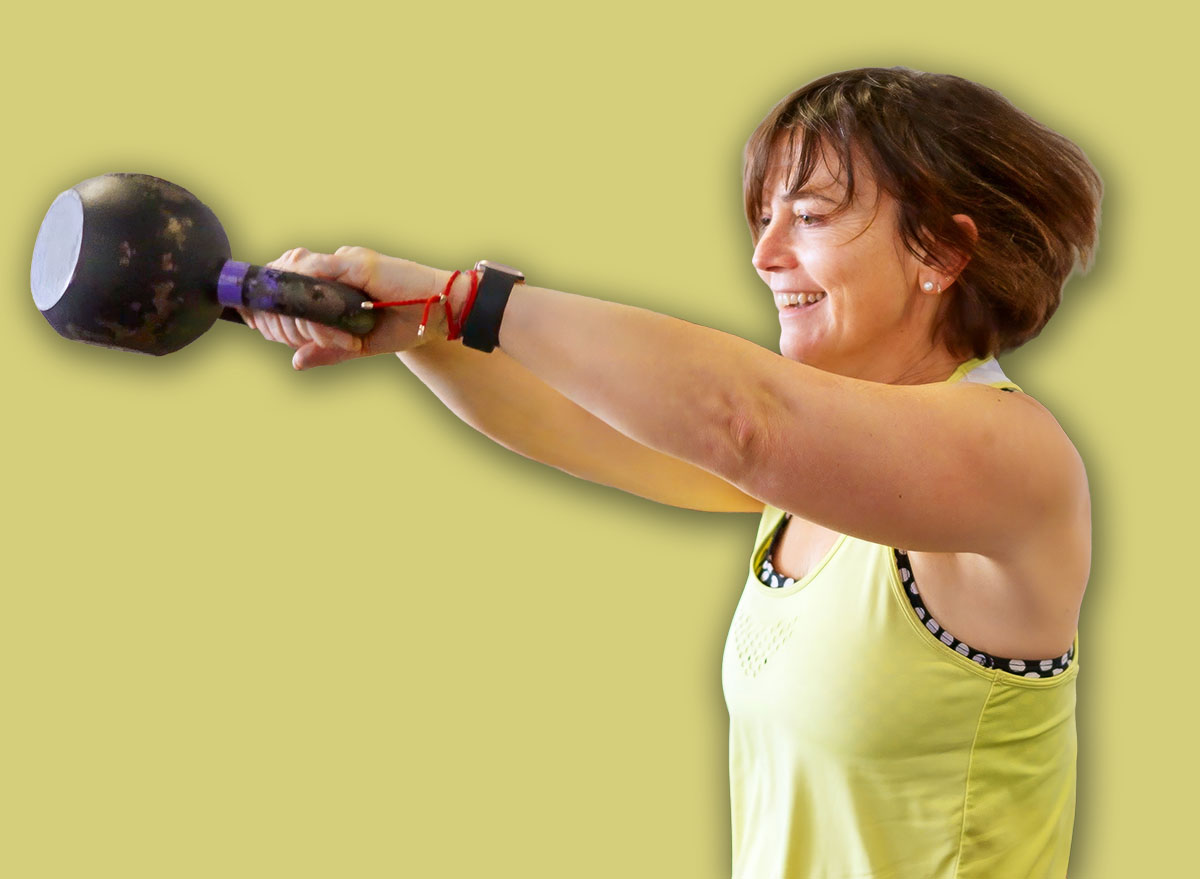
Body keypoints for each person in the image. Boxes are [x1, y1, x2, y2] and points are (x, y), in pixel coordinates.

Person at [240, 67, 1101, 878]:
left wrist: (465, 295)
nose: (764, 254)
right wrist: (419, 324)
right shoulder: (814, 479)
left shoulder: (1010, 459)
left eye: (807, 216)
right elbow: (569, 421)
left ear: (943, 255)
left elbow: (740, 419)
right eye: (761, 218)